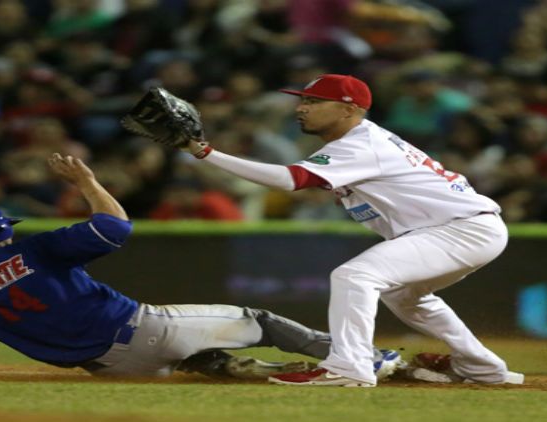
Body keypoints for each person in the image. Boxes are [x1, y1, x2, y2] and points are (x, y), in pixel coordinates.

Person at [0, 153, 402, 380]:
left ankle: (259, 373)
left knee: (211, 364)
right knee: (259, 316)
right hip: (144, 327)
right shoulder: (32, 249)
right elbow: (116, 226)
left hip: (108, 367)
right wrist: (88, 181)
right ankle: (362, 359)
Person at [173, 74, 523, 387]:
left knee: (355, 276)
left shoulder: (361, 143)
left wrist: (204, 152)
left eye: (313, 101)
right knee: (404, 295)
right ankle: (482, 366)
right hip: (462, 229)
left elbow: (288, 180)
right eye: (302, 100)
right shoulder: (359, 142)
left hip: (458, 229)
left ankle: (350, 366)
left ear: (348, 109)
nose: (301, 108)